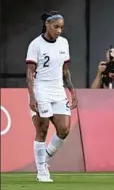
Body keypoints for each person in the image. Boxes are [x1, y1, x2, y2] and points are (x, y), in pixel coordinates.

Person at [26, 11, 77, 182]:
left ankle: (44, 157)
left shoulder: (64, 43)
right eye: (56, 27)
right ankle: (41, 171)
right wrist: (32, 97)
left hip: (58, 90)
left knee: (64, 130)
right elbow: (30, 73)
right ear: (47, 24)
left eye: (61, 27)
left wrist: (72, 90)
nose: (59, 31)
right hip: (41, 89)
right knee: (42, 129)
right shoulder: (36, 45)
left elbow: (65, 70)